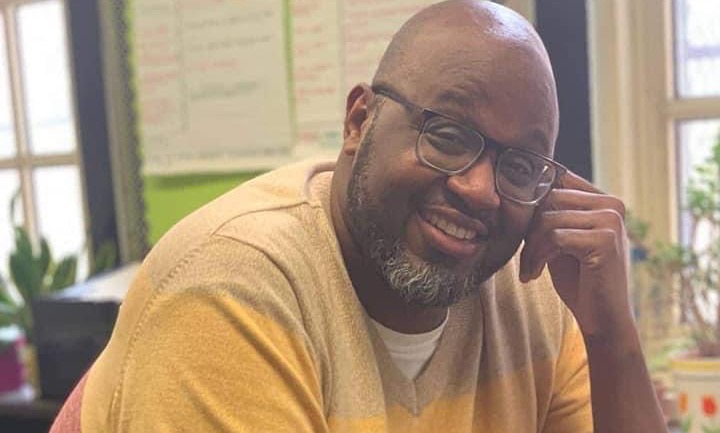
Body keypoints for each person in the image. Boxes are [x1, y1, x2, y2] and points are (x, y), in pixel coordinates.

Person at [51, 1, 667, 432]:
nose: (482, 191)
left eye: (521, 165)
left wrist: (612, 335)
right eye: (448, 135)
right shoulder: (231, 287)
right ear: (359, 121)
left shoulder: (529, 290)